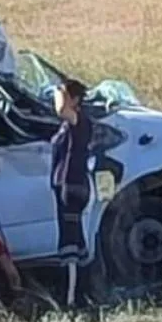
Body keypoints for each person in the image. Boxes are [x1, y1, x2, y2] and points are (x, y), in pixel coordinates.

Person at [50, 78, 93, 258]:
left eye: (66, 95)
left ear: (75, 100)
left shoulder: (79, 120)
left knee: (70, 236)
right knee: (72, 230)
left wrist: (57, 91)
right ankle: (79, 265)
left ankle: (72, 270)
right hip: (65, 183)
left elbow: (61, 110)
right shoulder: (69, 125)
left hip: (73, 182)